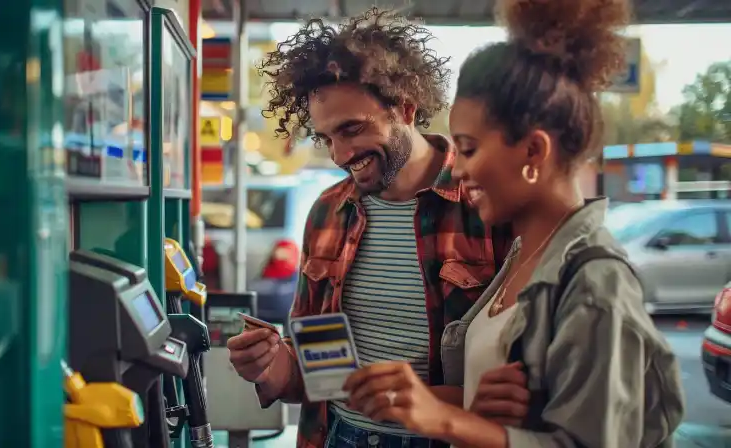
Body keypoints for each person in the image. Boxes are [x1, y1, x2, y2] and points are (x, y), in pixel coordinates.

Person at [343, 0, 686, 447]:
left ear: (533, 153)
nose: (459, 170)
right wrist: (478, 403)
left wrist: (446, 421)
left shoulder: (596, 286)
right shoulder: (524, 254)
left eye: (468, 149)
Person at [225, 8, 518, 448]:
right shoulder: (327, 212)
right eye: (326, 138)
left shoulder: (487, 203)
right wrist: (269, 365)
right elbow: (315, 378)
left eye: (352, 129)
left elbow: (527, 384)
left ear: (404, 107)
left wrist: (421, 401)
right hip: (338, 435)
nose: (340, 154)